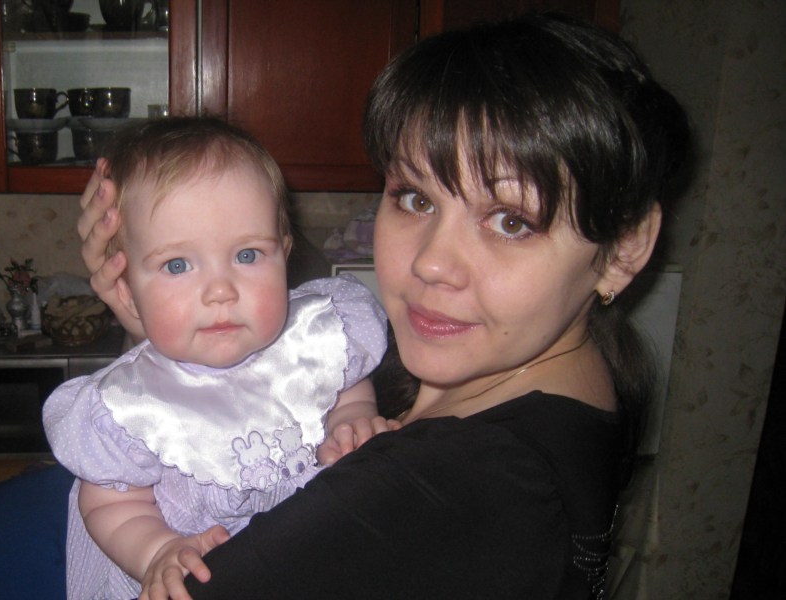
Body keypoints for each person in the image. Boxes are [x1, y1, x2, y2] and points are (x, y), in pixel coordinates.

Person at [76, 12, 692, 599]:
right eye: (416, 199)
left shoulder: (447, 488)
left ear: (624, 248)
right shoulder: (494, 368)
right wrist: (165, 335)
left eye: (510, 221)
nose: (431, 264)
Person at [42, 117, 390, 600]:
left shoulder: (317, 331)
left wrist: (353, 418)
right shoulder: (127, 403)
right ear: (124, 290)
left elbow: (345, 382)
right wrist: (158, 550)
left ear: (285, 254)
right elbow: (107, 506)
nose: (221, 291)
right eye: (177, 264)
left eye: (247, 255)